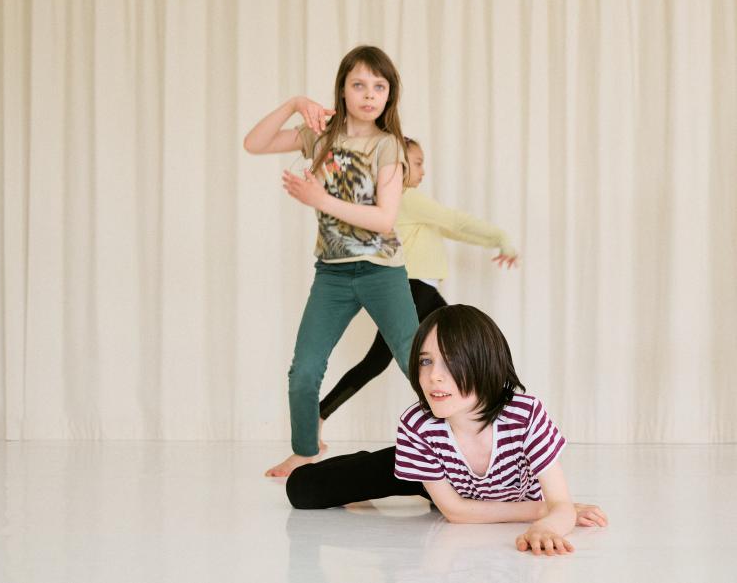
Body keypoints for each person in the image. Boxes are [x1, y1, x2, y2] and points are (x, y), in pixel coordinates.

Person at [287, 305, 608, 555]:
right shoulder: (419, 425)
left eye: (450, 361)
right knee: (303, 490)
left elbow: (562, 506)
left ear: (485, 363)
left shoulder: (525, 415)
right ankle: (364, 461)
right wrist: (540, 511)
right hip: (432, 477)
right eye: (426, 362)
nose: (433, 377)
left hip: (458, 483)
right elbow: (455, 511)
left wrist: (549, 527)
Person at [243, 45, 417, 477]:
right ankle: (305, 451)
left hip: (383, 272)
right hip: (332, 276)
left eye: (379, 86)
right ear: (342, 89)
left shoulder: (388, 146)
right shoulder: (320, 137)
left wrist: (320, 199)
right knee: (304, 370)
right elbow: (254, 143)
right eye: (359, 84)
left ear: (389, 95)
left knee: (418, 363)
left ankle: (461, 445)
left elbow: (384, 218)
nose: (369, 94)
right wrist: (294, 104)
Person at [318, 137, 518, 446]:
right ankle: (468, 423)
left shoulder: (400, 203)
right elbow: (456, 220)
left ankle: (318, 417)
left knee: (383, 361)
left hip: (412, 289)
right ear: (398, 166)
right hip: (412, 288)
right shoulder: (407, 197)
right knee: (460, 345)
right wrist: (502, 236)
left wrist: (497, 242)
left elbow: (451, 229)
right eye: (419, 162)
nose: (424, 170)